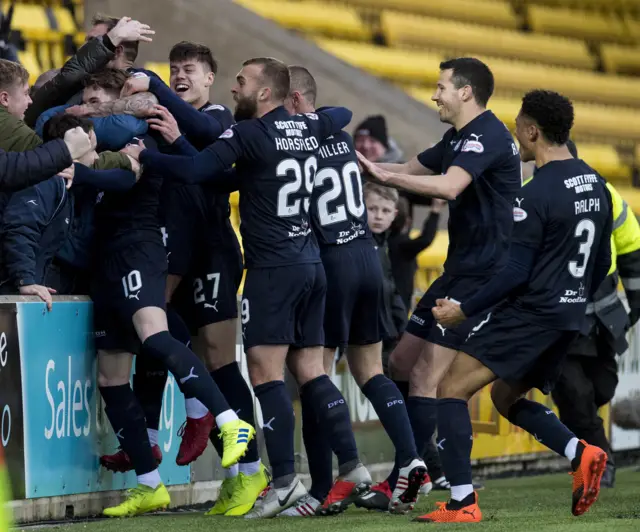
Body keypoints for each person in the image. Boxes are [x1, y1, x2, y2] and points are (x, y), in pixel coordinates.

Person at [130, 56, 364, 519]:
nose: (234, 88)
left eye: (241, 81)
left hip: (273, 270)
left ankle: (281, 482)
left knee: (266, 375)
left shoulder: (249, 134)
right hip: (312, 265)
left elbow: (198, 172)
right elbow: (338, 116)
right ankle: (353, 467)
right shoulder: (307, 128)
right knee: (312, 371)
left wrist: (148, 156)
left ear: (263, 93)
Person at [419, 89, 612, 523]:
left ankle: (462, 503)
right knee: (507, 397)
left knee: (451, 388)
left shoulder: (533, 193)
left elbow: (514, 274)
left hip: (533, 313)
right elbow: (600, 261)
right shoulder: (596, 183)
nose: (516, 139)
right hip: (567, 316)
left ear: (532, 131)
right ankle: (579, 452)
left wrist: (464, 309)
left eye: (519, 131)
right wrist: (571, 296)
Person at [356, 57, 521, 506]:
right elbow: (412, 165)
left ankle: (404, 481)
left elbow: (449, 187)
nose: (434, 94)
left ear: (465, 92)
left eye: (441, 86)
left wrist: (385, 176)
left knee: (428, 374)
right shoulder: (458, 137)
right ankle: (417, 467)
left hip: (483, 274)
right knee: (402, 365)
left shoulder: (487, 134)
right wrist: (361, 166)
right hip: (457, 270)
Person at [114, 41, 266, 517]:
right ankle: (168, 436)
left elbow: (201, 138)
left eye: (190, 70)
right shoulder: (159, 115)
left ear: (208, 79)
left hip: (212, 251)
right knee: (158, 339)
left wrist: (162, 100)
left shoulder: (220, 116)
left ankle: (252, 473)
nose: (180, 76)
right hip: (169, 248)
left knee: (220, 360)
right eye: (173, 69)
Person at [281, 67, 426, 518]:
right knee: (370, 370)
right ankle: (411, 458)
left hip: (332, 263)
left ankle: (325, 487)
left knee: (313, 377)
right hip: (367, 257)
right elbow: (340, 114)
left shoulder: (293, 139)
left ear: (293, 101)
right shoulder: (342, 137)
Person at [551, 141, 640, 489]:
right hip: (556, 319)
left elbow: (631, 245)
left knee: (601, 388)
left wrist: (636, 302)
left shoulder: (607, 192)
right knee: (576, 393)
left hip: (602, 317)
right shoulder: (534, 193)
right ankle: (599, 459)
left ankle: (584, 439)